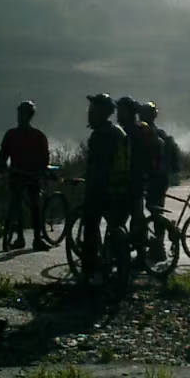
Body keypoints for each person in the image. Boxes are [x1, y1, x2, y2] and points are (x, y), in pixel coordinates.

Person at [81, 93, 129, 282]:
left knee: (90, 225)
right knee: (115, 227)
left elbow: (98, 168)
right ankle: (116, 265)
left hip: (104, 190)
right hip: (122, 188)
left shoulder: (100, 136)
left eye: (92, 110)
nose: (89, 114)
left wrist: (89, 189)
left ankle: (89, 271)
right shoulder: (119, 132)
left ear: (102, 113)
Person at [0, 100, 52, 251]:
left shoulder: (38, 136)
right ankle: (19, 237)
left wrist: (41, 171)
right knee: (17, 204)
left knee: (34, 205)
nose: (20, 117)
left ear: (29, 116)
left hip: (32, 176)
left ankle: (37, 238)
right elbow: (3, 153)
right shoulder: (11, 134)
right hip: (16, 174)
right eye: (19, 113)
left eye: (24, 114)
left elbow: (44, 158)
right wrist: (1, 164)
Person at [115, 96, 159, 257]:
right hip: (140, 180)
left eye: (121, 111)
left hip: (129, 180)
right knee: (136, 217)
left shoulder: (125, 132)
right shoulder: (142, 129)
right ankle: (139, 253)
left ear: (129, 113)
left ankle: (125, 255)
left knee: (121, 220)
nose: (118, 114)